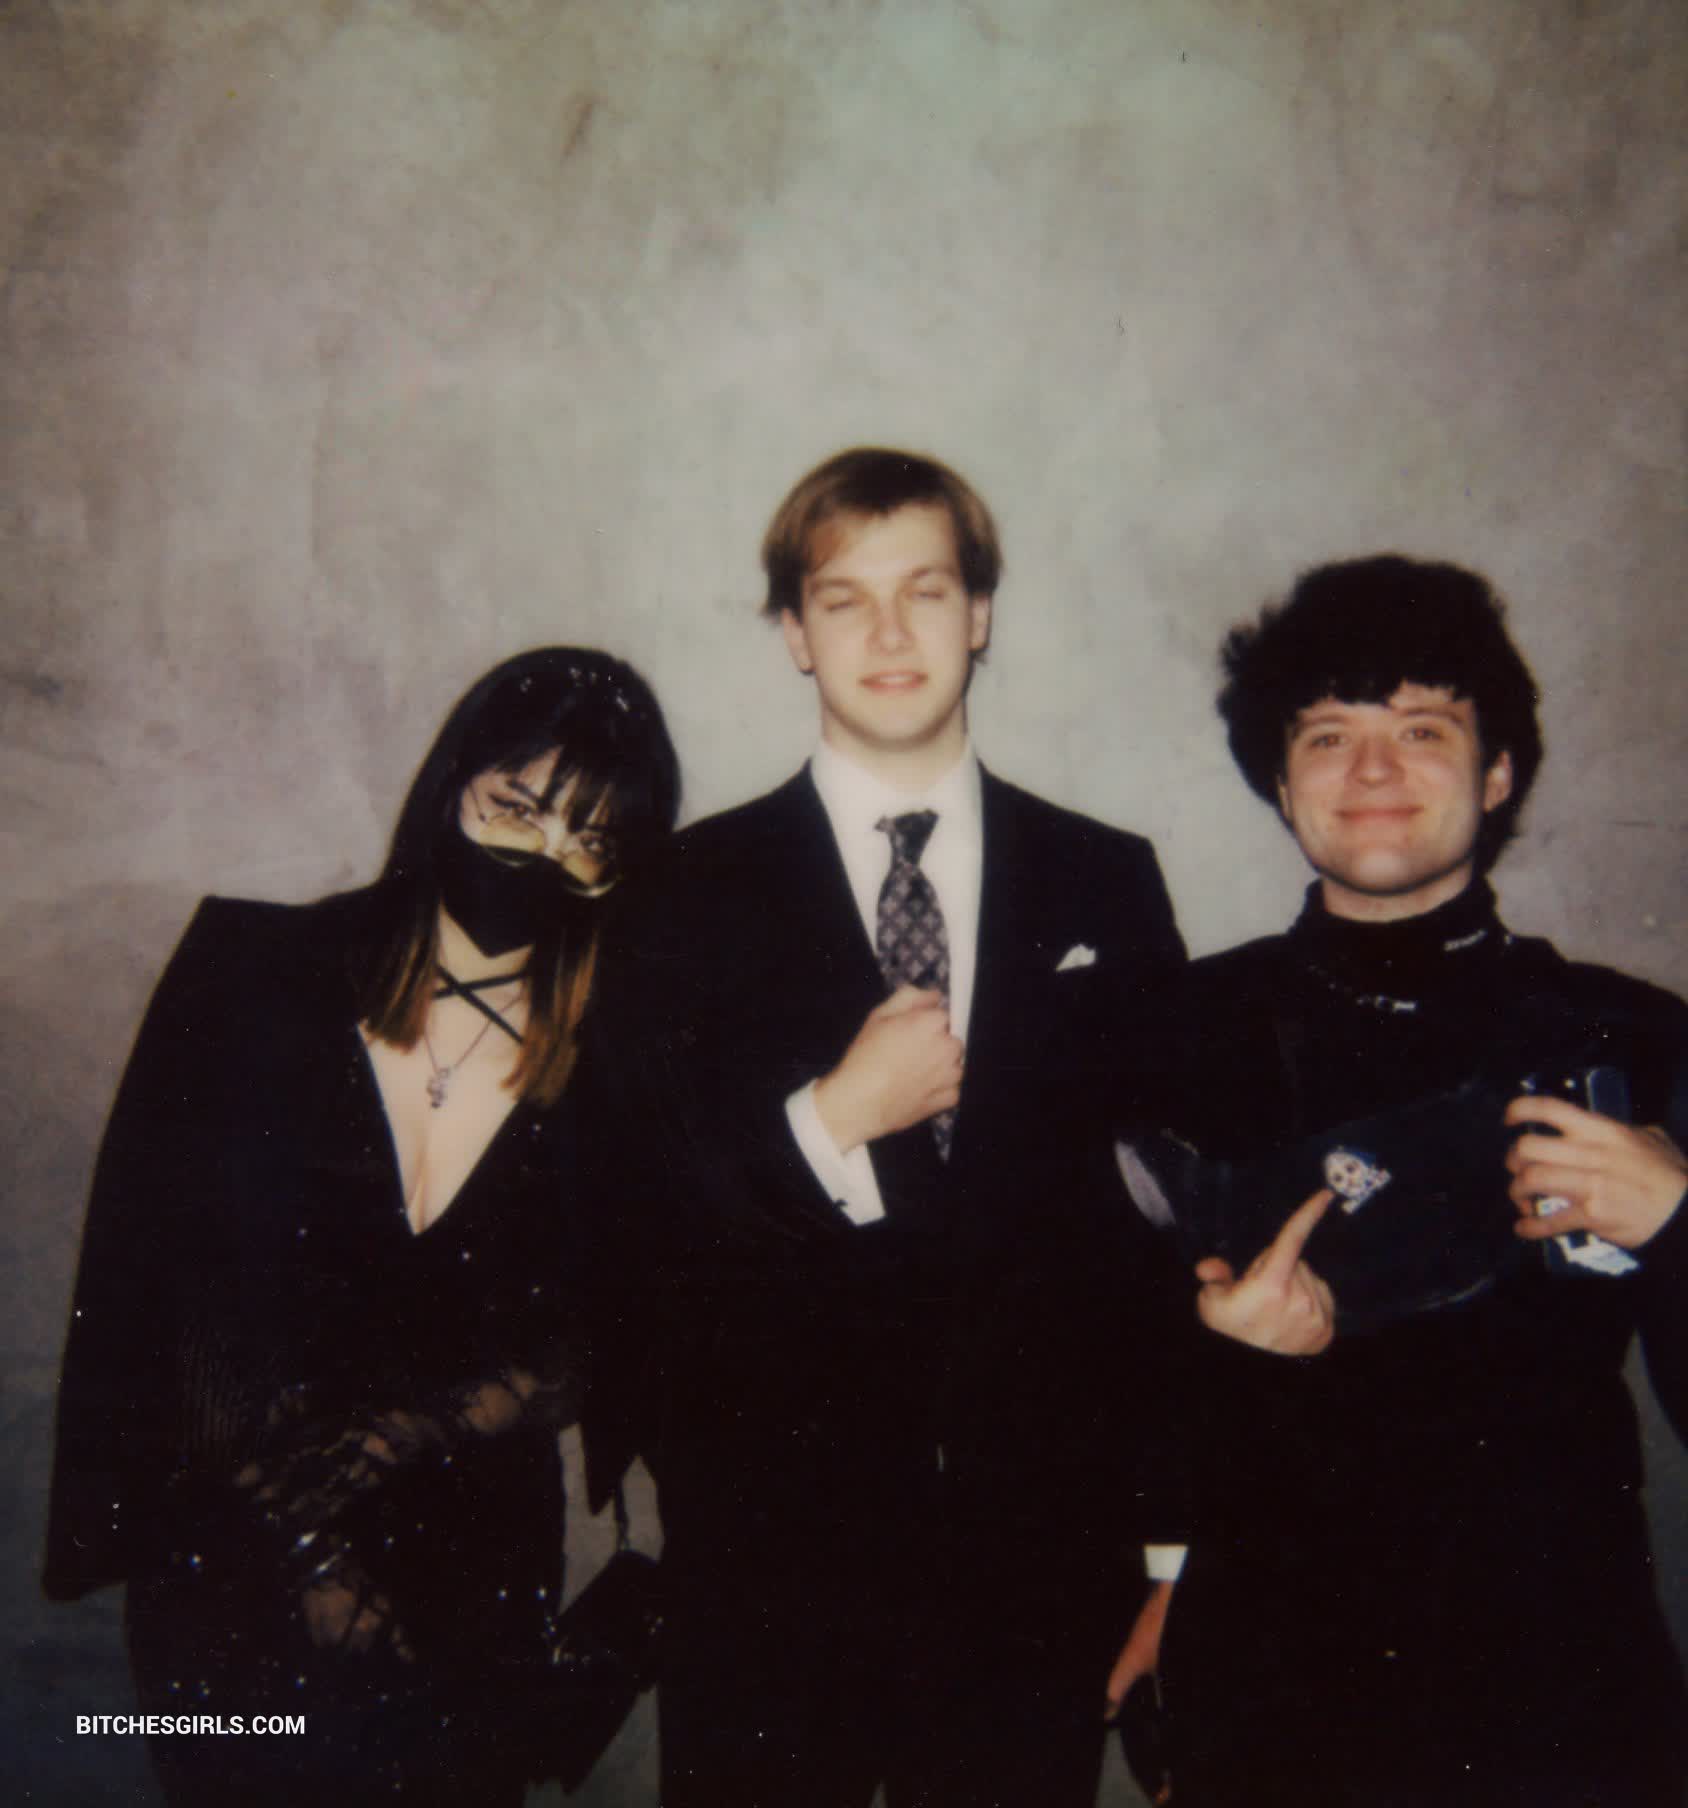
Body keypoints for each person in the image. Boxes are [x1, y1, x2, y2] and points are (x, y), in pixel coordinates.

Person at [580, 447, 1189, 1807]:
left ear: (981, 612)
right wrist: (831, 1122)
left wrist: (1167, 1557)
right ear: (795, 635)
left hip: (1037, 1574)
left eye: (926, 589)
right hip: (769, 1571)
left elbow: (1149, 1238)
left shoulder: (1103, 876)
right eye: (843, 599)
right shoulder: (679, 892)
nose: (892, 634)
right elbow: (626, 1218)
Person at [43, 647, 680, 1807]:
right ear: (451, 780)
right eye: (516, 805)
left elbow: (612, 1328)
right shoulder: (252, 971)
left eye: (587, 837)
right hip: (238, 1556)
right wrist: (308, 1551)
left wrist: (429, 1422)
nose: (542, 853)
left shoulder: (617, 1058)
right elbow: (160, 1287)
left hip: (466, 1587)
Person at [1120, 556, 1688, 1807]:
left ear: (1497, 773)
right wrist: (1216, 1366)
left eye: (1422, 728)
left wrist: (1677, 1219)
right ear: (1280, 782)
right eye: (1327, 734)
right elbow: (1081, 1383)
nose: (1372, 769)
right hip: (1273, 1701)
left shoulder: (1633, 1037)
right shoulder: (1175, 1035)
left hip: (1559, 1696)